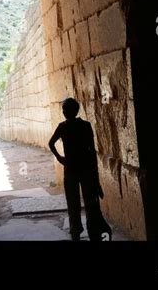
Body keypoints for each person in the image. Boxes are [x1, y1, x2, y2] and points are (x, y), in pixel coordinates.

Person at [49, 97, 110, 242]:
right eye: (64, 109)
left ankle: (76, 232)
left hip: (71, 170)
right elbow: (91, 152)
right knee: (89, 203)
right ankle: (92, 232)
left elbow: (51, 143)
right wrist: (96, 179)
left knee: (73, 204)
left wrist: (60, 158)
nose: (64, 112)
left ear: (73, 111)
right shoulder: (85, 126)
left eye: (66, 109)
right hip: (85, 169)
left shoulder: (63, 126)